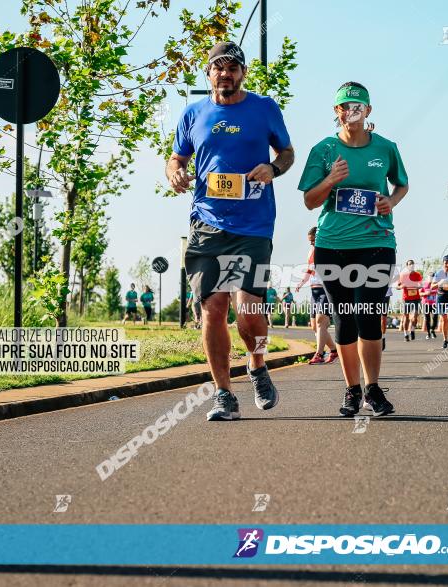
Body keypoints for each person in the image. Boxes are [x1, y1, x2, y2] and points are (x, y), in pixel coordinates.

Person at [166, 41, 294, 421]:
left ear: (243, 73)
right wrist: (174, 172)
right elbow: (177, 157)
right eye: (218, 68)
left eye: (233, 68)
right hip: (207, 223)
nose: (226, 74)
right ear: (209, 74)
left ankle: (257, 364)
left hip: (254, 225)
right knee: (213, 309)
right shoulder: (193, 114)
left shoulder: (265, 108)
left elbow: (286, 152)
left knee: (249, 311)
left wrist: (274, 169)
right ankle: (224, 394)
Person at [299, 81, 408, 417]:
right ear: (337, 111)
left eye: (358, 106)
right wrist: (331, 179)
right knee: (345, 318)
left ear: (368, 111)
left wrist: (390, 201)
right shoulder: (324, 150)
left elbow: (402, 183)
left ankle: (373, 389)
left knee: (370, 315)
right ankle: (351, 390)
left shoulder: (385, 148)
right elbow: (308, 201)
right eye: (345, 106)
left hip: (376, 242)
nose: (352, 111)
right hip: (333, 245)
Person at [296, 227, 337, 365]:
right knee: (315, 326)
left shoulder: (330, 248)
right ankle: (334, 350)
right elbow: (309, 269)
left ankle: (319, 354)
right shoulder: (311, 251)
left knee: (321, 321)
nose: (311, 243)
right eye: (310, 241)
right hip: (314, 290)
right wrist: (302, 282)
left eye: (313, 240)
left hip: (327, 289)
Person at [396, 260, 422, 341]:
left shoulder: (417, 274)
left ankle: (412, 330)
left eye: (412, 264)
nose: (411, 265)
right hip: (406, 299)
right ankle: (405, 334)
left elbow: (421, 285)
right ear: (407, 266)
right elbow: (397, 286)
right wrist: (402, 286)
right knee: (406, 317)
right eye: (410, 264)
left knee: (415, 316)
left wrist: (417, 287)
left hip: (416, 298)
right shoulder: (403, 275)